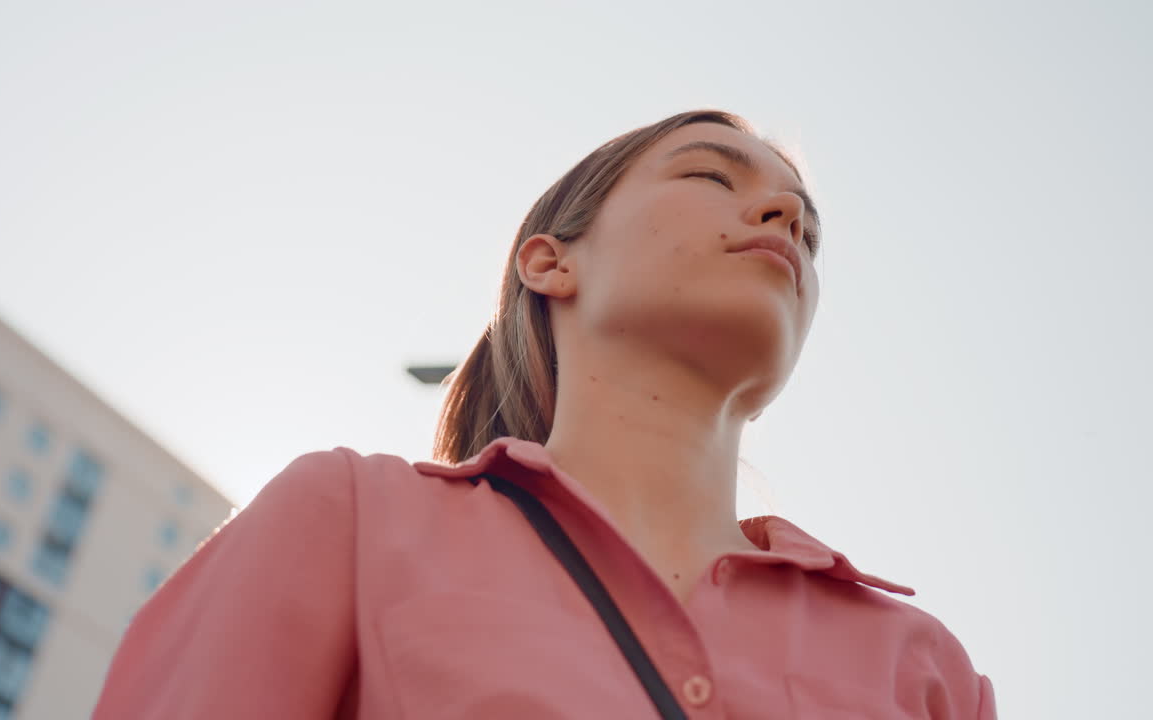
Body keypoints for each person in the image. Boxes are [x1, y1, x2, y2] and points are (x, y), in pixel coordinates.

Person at [90, 109, 997, 719]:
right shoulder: (351, 517)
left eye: (806, 226)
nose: (784, 216)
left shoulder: (925, 669)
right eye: (711, 176)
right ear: (550, 263)